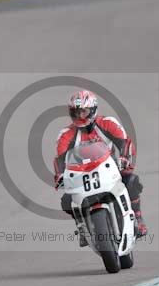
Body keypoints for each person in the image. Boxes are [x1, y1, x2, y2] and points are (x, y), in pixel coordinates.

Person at [53, 90, 148, 244]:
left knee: (130, 181)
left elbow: (124, 142)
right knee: (66, 199)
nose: (80, 116)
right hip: (81, 174)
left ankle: (137, 216)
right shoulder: (65, 134)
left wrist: (124, 158)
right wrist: (59, 175)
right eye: (76, 112)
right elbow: (60, 159)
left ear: (93, 110)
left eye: (83, 111)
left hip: (108, 168)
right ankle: (82, 226)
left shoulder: (108, 123)